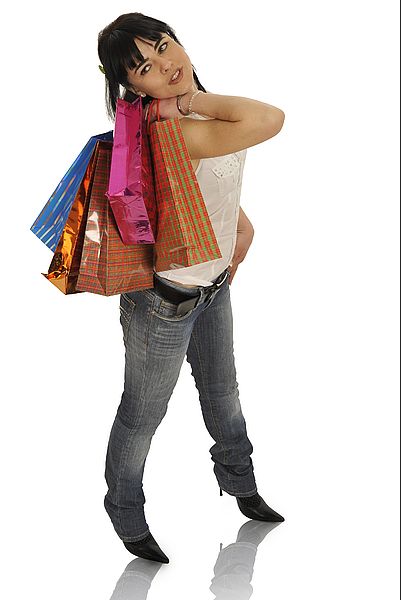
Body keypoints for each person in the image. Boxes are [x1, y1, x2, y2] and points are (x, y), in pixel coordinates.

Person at [97, 12, 285, 563]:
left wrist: (239, 232)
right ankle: (125, 511)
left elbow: (209, 182)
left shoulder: (193, 117)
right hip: (165, 302)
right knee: (142, 412)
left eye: (162, 46)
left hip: (213, 285)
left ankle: (241, 485)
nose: (166, 65)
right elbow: (270, 118)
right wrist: (176, 105)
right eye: (147, 69)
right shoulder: (175, 125)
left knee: (224, 394)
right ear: (133, 88)